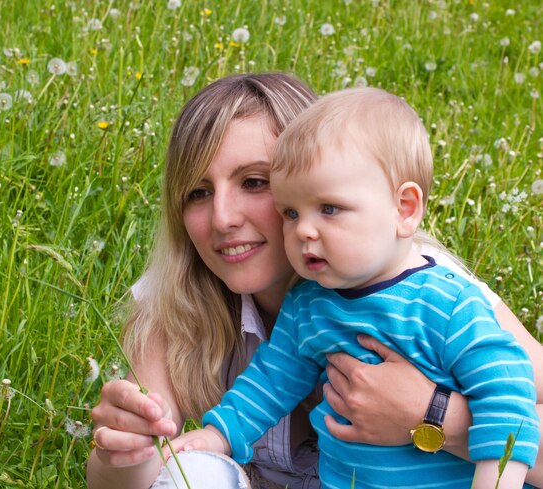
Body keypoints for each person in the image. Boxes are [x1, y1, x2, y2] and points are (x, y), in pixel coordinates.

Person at [87, 73, 543, 489]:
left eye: (254, 182)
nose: (223, 218)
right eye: (199, 193)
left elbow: (509, 391)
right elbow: (257, 392)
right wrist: (123, 449)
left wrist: (430, 415)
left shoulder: (435, 294)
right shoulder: (184, 298)